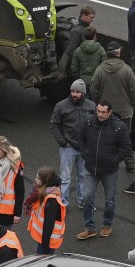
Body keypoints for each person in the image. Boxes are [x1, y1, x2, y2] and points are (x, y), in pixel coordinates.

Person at [76, 101, 132, 240]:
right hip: (90, 168)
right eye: (98, 111)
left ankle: (107, 225)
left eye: (103, 112)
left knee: (110, 200)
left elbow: (126, 148)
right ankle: (90, 228)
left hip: (109, 171)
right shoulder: (88, 122)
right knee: (87, 197)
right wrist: (85, 153)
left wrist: (114, 160)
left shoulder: (119, 127)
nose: (100, 114)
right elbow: (80, 139)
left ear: (110, 112)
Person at [89, 43, 135, 174]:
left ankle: (106, 162)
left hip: (106, 112)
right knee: (126, 137)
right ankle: (129, 162)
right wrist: (133, 103)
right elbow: (133, 89)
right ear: (118, 53)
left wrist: (99, 103)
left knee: (106, 136)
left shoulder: (100, 69)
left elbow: (93, 89)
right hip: (124, 110)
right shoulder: (127, 70)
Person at [49, 79, 90, 207]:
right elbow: (54, 124)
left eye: (77, 92)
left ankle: (82, 200)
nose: (74, 94)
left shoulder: (91, 106)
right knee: (65, 178)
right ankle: (63, 203)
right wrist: (62, 141)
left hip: (84, 149)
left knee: (83, 176)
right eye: (72, 91)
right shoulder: (61, 106)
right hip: (68, 148)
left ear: (83, 93)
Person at [24, 167, 66, 255]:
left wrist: (45, 244)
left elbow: (49, 224)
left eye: (38, 179)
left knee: (44, 262)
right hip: (44, 237)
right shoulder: (44, 192)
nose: (35, 180)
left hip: (48, 240)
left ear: (45, 182)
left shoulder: (51, 200)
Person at [59, 5, 96, 74]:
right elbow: (70, 51)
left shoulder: (86, 26)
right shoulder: (76, 31)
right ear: (83, 15)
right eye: (91, 17)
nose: (93, 19)